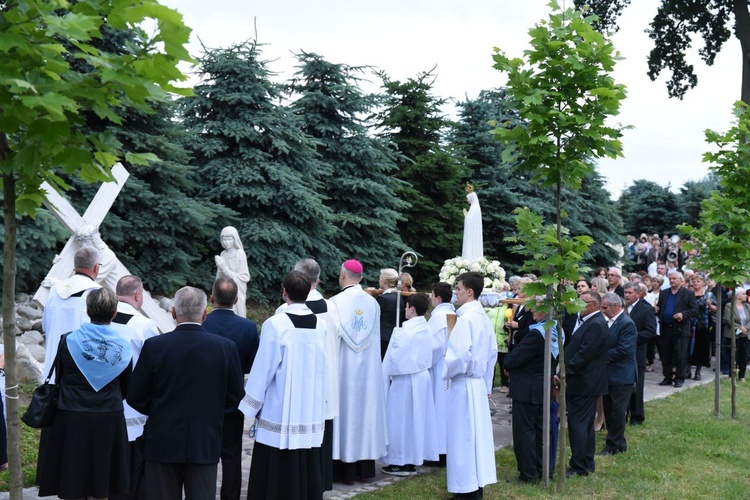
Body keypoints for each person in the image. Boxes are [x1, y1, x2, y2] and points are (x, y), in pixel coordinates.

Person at [128, 286, 244, 499]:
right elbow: (235, 397)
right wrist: (213, 412)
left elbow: (135, 396)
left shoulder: (155, 346)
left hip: (162, 438)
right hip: (205, 439)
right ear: (204, 314)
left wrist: (158, 409)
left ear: (173, 312)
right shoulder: (225, 348)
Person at [38, 287, 133, 499]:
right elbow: (126, 388)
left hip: (71, 414)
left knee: (72, 477)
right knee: (103, 480)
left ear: (88, 311)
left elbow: (60, 378)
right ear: (115, 313)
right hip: (109, 416)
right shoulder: (123, 348)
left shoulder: (68, 340)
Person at [240, 271, 327, 498]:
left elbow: (263, 369)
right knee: (305, 455)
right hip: (309, 406)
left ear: (284, 292)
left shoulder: (275, 324)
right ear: (308, 292)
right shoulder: (321, 325)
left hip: (280, 409)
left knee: (276, 462)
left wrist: (250, 405)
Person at [275, 258, 339, 491]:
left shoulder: (285, 310)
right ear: (318, 279)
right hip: (325, 381)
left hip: (295, 386)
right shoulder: (331, 306)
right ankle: (318, 482)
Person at [329, 260, 387, 484]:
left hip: (343, 370)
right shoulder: (373, 304)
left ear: (343, 275)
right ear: (361, 278)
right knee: (363, 412)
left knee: (344, 411)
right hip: (368, 372)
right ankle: (363, 469)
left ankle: (339, 470)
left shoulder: (334, 303)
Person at [202, 276, 259, 500]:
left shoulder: (203, 324)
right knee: (232, 455)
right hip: (233, 397)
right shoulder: (248, 327)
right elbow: (252, 364)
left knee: (204, 453)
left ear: (211, 298)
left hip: (203, 397)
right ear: (236, 299)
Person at [443, 272, 497, 498]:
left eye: (458, 287)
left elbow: (458, 355)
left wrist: (446, 372)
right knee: (476, 438)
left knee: (462, 437)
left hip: (463, 384)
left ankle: (464, 488)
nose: (456, 291)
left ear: (470, 292)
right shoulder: (482, 317)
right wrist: (486, 385)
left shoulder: (466, 319)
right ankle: (476, 485)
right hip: (476, 385)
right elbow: (492, 353)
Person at [109, 275, 160, 500]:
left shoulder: (100, 318)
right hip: (134, 405)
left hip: (104, 404)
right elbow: (158, 365)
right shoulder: (144, 325)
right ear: (138, 295)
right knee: (132, 466)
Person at [381, 293, 439, 476]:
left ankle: (400, 461)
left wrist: (386, 374)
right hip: (422, 378)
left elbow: (395, 359)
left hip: (404, 380)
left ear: (412, 309)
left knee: (400, 421)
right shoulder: (426, 327)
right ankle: (413, 458)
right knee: (417, 420)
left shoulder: (403, 331)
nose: (405, 309)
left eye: (406, 307)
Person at [503, 303, 559, 484]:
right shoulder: (556, 330)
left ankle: (529, 474)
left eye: (536, 308)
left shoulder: (537, 334)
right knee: (541, 430)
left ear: (545, 311)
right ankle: (544, 469)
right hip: (543, 386)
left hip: (528, 388)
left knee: (525, 431)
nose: (533, 311)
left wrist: (508, 363)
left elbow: (516, 357)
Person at [564, 290, 608, 477]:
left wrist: (565, 371)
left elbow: (584, 354)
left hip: (584, 382)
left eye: (582, 303)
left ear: (594, 306)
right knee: (584, 425)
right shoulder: (590, 322)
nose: (578, 306)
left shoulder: (596, 324)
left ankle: (579, 465)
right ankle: (586, 462)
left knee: (578, 425)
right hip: (584, 382)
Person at [42, 246, 102, 383]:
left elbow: (45, 327)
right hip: (81, 375)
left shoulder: (55, 290)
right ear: (96, 268)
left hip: (52, 370)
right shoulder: (98, 294)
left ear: (74, 266)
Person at [599, 293, 637, 455]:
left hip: (621, 376)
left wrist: (600, 357)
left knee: (617, 411)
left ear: (616, 306)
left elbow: (624, 350)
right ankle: (619, 443)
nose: (603, 311)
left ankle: (613, 445)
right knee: (609, 410)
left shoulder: (627, 323)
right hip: (610, 375)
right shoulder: (611, 322)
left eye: (605, 307)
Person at [426, 282, 454, 466]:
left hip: (438, 367)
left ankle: (438, 450)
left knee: (437, 408)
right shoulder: (452, 313)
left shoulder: (437, 318)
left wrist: (424, 362)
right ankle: (446, 448)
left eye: (432, 295)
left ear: (438, 298)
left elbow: (434, 346)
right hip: (449, 365)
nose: (429, 297)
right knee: (446, 408)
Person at [656, 272, 698, 388]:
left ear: (681, 280)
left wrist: (683, 315)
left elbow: (694, 310)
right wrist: (657, 309)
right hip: (666, 328)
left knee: (680, 355)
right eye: (670, 278)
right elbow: (660, 308)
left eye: (674, 278)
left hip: (680, 328)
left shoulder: (688, 293)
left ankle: (679, 378)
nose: (672, 280)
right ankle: (668, 377)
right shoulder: (664, 293)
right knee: (665, 354)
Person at [624, 283, 657, 426]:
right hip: (622, 353)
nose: (627, 295)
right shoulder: (620, 307)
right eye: (625, 292)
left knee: (637, 385)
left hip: (637, 352)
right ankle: (623, 414)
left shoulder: (646, 309)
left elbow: (650, 331)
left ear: (638, 293)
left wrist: (631, 337)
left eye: (630, 293)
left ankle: (637, 416)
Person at [215, 226, 250, 318]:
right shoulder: (223, 254)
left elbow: (244, 277)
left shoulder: (240, 254)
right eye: (224, 240)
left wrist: (223, 267)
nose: (227, 242)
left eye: (229, 239)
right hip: (223, 292)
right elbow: (220, 276)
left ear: (235, 239)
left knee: (237, 314)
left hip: (237, 292)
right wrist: (215, 289)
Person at [690, 273, 716, 381]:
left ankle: (698, 372)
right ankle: (687, 370)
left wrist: (710, 305)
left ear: (703, 283)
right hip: (690, 325)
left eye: (698, 281)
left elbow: (716, 309)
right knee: (688, 348)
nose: (696, 283)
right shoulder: (689, 293)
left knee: (700, 349)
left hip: (702, 326)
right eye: (694, 281)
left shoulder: (708, 295)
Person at [376, 268, 405, 360]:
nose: (378, 280)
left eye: (380, 278)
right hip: (394, 337)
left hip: (383, 339)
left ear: (384, 281)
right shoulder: (398, 297)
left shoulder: (383, 299)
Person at [723, 288, 750, 381]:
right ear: (738, 295)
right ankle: (732, 375)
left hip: (745, 335)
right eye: (744, 294)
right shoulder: (729, 306)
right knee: (733, 355)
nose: (746, 296)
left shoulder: (747, 306)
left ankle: (742, 376)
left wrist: (745, 328)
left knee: (744, 355)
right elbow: (727, 319)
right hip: (733, 335)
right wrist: (739, 328)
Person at [462, 184, 484, 260]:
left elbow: (469, 221)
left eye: (468, 199)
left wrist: (465, 214)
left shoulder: (474, 208)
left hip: (472, 233)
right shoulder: (476, 207)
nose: (467, 200)